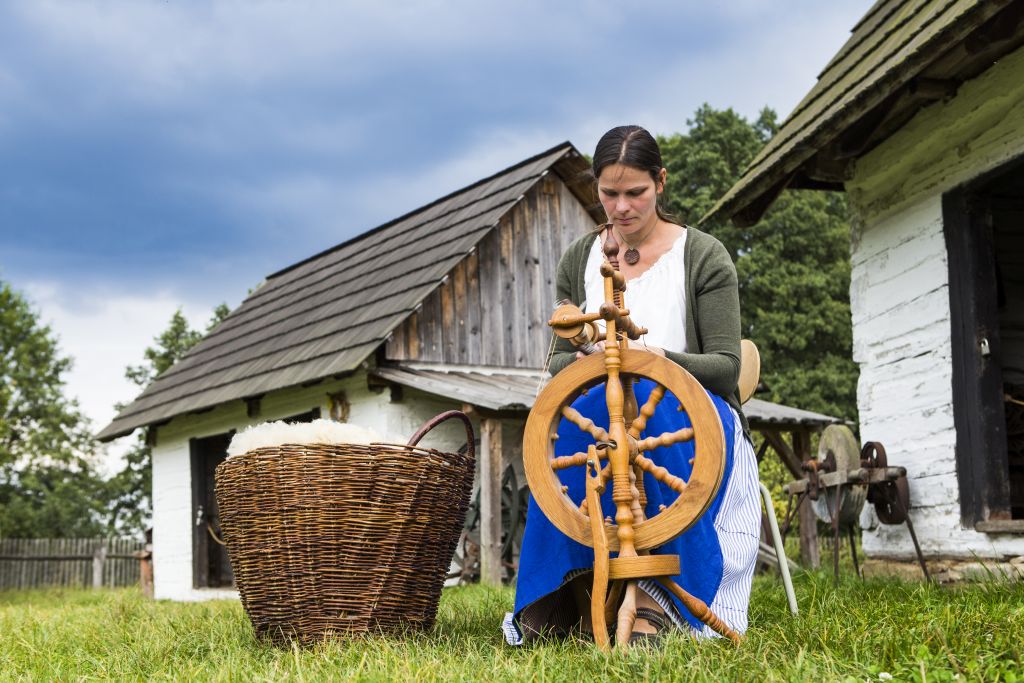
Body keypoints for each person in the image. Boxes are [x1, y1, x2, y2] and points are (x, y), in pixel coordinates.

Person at [502, 125, 760, 646]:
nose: (621, 208)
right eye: (609, 193)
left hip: (694, 415)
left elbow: (727, 367)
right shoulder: (581, 258)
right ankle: (562, 597)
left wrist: (656, 358)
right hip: (601, 410)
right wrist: (592, 357)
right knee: (561, 429)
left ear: (661, 182)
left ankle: (654, 603)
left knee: (648, 402)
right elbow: (556, 365)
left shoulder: (703, 256)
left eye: (635, 193)